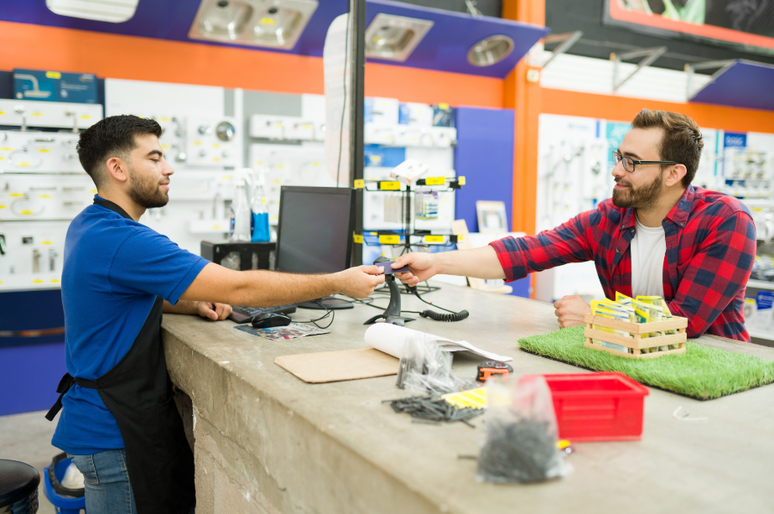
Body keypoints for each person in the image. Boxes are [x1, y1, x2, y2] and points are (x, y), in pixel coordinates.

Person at [45, 115, 385, 514]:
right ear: (117, 168)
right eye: (154, 158)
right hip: (115, 435)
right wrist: (337, 282)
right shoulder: (125, 241)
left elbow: (121, 292)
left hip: (105, 421)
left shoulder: (91, 224)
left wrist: (190, 300)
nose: (168, 168)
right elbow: (239, 287)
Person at [392, 109, 756, 341]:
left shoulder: (726, 222)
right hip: (630, 357)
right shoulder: (609, 220)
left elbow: (686, 322)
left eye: (632, 162)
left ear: (674, 173)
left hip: (714, 371)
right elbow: (526, 252)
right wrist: (438, 263)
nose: (616, 170)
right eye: (619, 158)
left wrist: (595, 315)